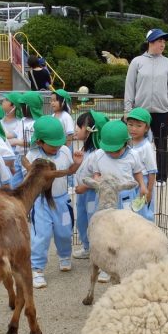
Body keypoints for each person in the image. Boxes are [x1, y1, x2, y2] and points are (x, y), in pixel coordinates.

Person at [27, 116, 83, 289]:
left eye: (59, 142)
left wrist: (77, 164)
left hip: (62, 200)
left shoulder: (65, 151)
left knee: (65, 231)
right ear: (39, 141)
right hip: (41, 202)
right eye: (53, 144)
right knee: (41, 235)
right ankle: (37, 269)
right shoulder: (33, 156)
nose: (57, 146)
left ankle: (65, 256)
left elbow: (69, 172)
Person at [124, 28, 168, 185]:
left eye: (164, 41)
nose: (162, 44)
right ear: (150, 42)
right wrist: (128, 110)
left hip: (162, 112)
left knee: (161, 144)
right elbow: (129, 87)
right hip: (140, 112)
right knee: (135, 143)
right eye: (159, 41)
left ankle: (161, 177)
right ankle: (135, 173)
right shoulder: (137, 62)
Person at [72, 110, 110, 260]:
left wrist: (84, 186)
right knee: (82, 221)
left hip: (92, 195)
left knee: (95, 222)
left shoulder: (99, 153)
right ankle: (87, 247)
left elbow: (100, 177)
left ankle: (101, 253)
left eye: (79, 126)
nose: (75, 128)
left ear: (90, 131)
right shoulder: (84, 150)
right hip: (82, 195)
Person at [90, 120, 146, 210]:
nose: (112, 153)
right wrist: (97, 179)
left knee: (126, 221)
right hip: (106, 195)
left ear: (125, 143)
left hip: (126, 195)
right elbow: (96, 173)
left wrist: (142, 186)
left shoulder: (132, 155)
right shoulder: (99, 155)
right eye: (108, 150)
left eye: (116, 150)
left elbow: (137, 172)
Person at [125, 108, 158, 221]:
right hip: (130, 181)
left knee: (143, 213)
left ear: (146, 128)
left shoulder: (146, 146)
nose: (133, 129)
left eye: (138, 126)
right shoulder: (127, 142)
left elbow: (152, 171)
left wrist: (149, 191)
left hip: (142, 184)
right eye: (130, 124)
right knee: (130, 211)